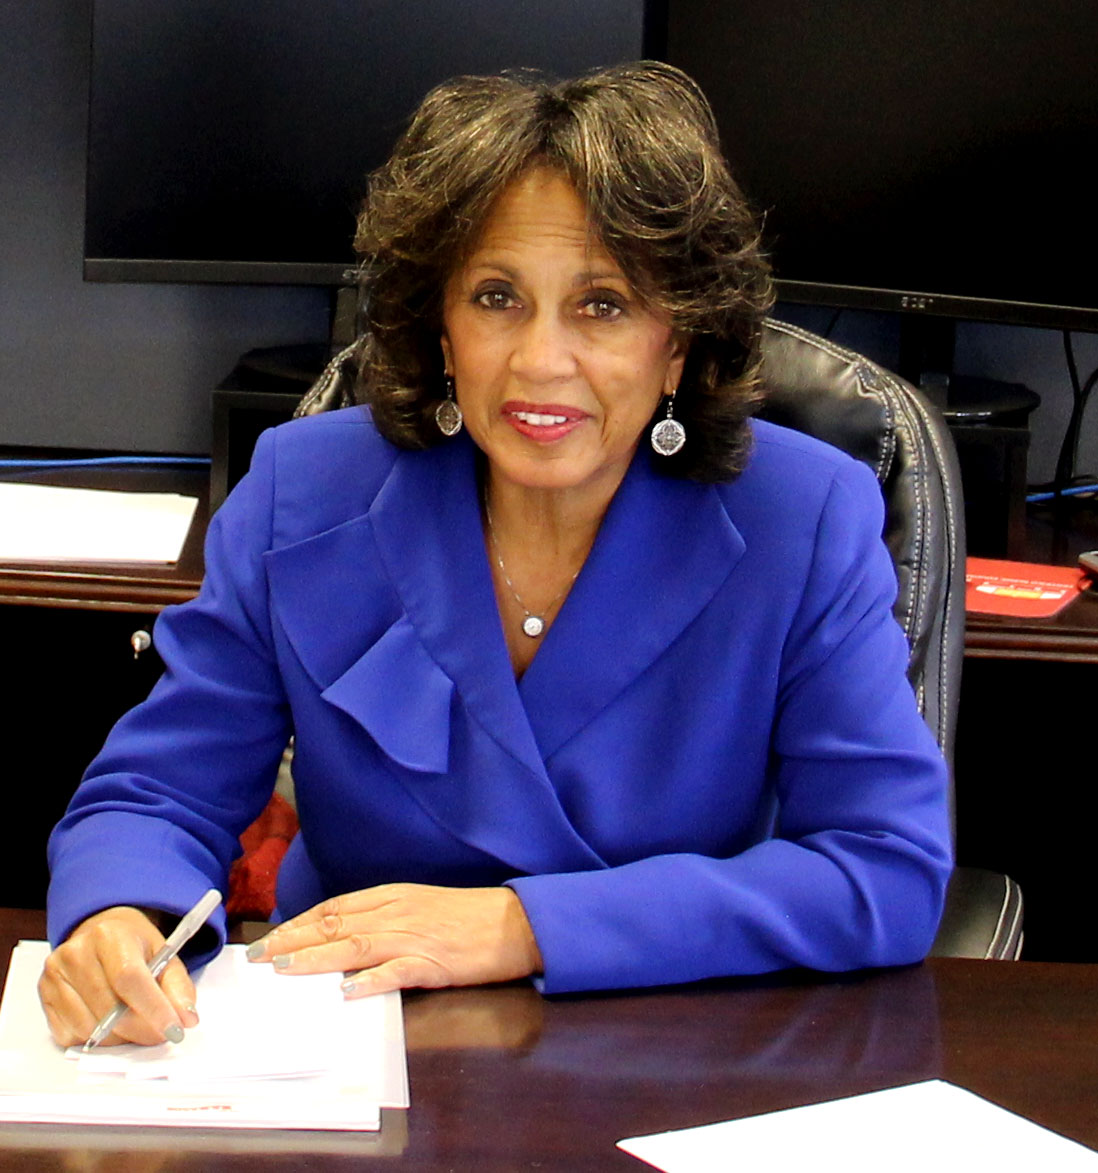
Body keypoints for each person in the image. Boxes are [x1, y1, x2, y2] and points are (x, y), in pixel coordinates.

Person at [39, 62, 952, 1048]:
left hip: (669, 1042)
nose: (539, 361)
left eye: (602, 304)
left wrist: (524, 925)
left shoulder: (801, 516)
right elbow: (157, 792)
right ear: (441, 324)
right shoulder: (302, 495)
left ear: (677, 342)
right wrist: (116, 911)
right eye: (496, 297)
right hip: (348, 1044)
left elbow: (883, 866)